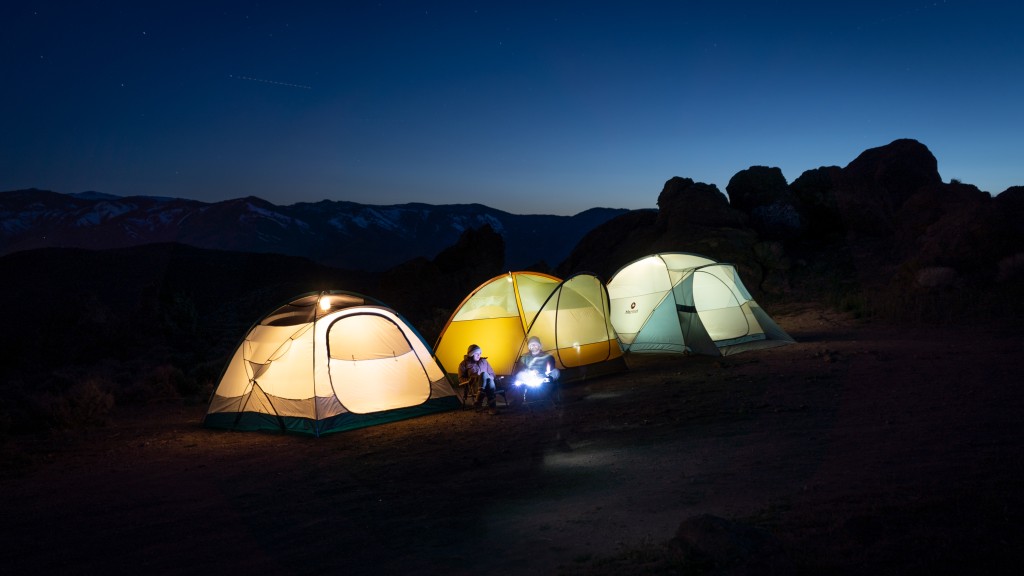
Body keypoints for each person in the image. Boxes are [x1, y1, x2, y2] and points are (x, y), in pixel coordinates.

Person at [512, 336, 561, 404]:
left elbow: (551, 367)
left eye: (535, 344)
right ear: (529, 347)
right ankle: (521, 399)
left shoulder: (547, 356)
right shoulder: (524, 357)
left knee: (556, 371)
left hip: (544, 376)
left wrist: (543, 372)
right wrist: (529, 371)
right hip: (529, 377)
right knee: (519, 375)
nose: (533, 346)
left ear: (539, 346)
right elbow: (520, 368)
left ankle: (548, 389)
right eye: (531, 344)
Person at [458, 344, 499, 414]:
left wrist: (488, 377)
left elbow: (492, 374)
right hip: (475, 386)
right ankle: (492, 408)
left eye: (480, 353)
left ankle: (479, 398)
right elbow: (461, 379)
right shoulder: (464, 364)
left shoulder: (484, 361)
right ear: (471, 354)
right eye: (477, 354)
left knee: (486, 376)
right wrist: (469, 380)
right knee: (485, 375)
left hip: (489, 384)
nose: (479, 355)